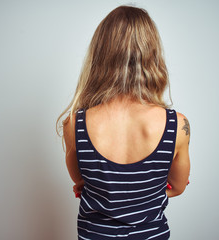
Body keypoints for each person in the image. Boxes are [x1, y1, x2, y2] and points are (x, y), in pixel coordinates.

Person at [56, 5, 191, 240]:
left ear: (100, 55)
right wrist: (149, 193)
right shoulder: (177, 126)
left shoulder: (74, 125)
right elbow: (177, 187)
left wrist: (104, 192)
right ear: (152, 55)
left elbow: (80, 182)